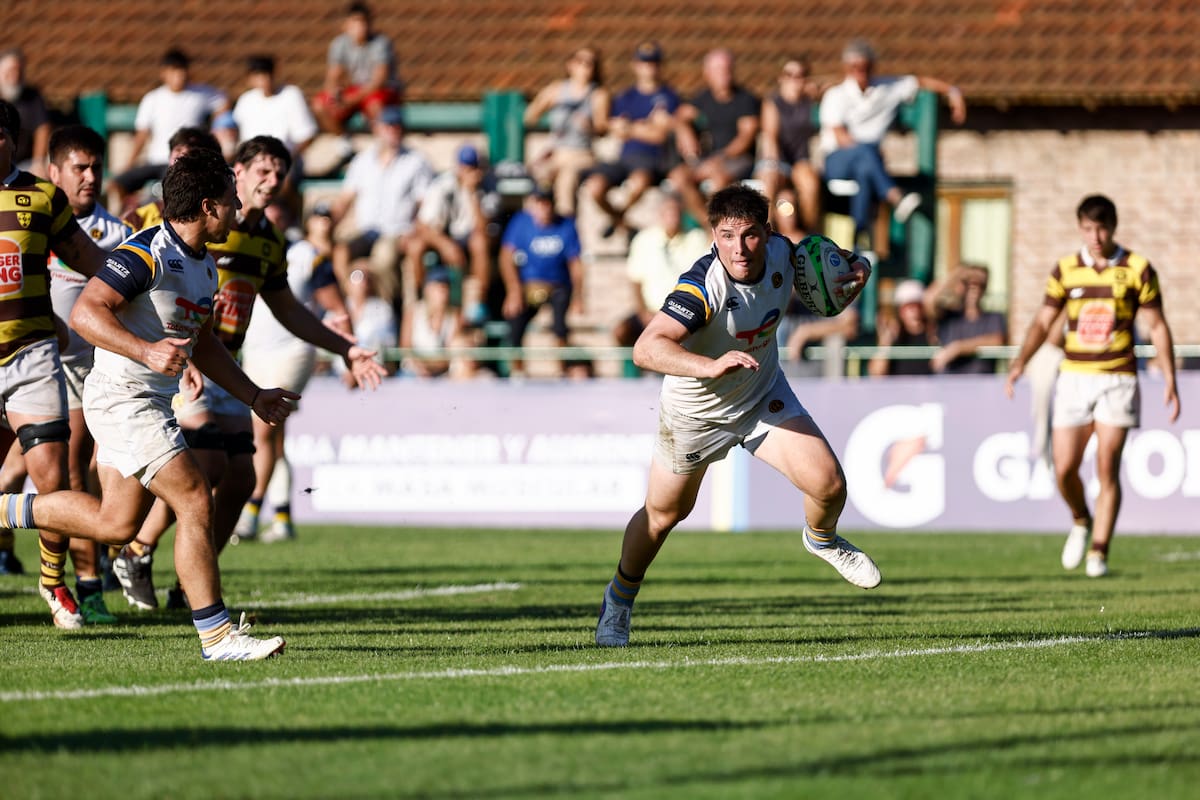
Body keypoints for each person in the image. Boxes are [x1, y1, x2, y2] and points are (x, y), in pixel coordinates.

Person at [0, 148, 297, 659]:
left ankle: (3, 509)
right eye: (231, 199)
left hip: (144, 403)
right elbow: (87, 314)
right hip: (124, 400)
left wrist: (253, 396)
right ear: (208, 206)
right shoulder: (147, 253)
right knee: (195, 497)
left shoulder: (204, 266)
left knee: (116, 524)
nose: (238, 206)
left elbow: (204, 342)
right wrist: (145, 350)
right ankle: (218, 635)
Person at [594, 185, 879, 648]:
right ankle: (619, 601)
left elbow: (842, 259)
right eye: (726, 236)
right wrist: (709, 365)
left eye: (749, 235)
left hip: (759, 394)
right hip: (695, 412)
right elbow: (646, 349)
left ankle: (822, 539)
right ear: (712, 234)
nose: (738, 249)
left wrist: (858, 269)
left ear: (767, 232)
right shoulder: (701, 285)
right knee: (663, 516)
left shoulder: (787, 253)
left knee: (830, 486)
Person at [113, 136, 387, 611]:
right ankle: (137, 551)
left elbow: (289, 311)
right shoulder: (190, 226)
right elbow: (138, 288)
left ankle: (190, 586)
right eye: (261, 170)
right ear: (234, 173)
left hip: (223, 361)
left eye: (279, 172)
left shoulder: (267, 241)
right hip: (179, 360)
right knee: (209, 466)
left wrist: (346, 349)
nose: (272, 180)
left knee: (242, 477)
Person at [1005, 194, 1180, 578]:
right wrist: (1021, 361)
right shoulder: (1066, 269)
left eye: (1101, 228)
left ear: (1113, 227)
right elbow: (1041, 322)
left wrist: (1169, 377)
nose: (1095, 236)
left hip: (1118, 379)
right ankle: (1080, 518)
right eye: (1087, 228)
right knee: (1064, 468)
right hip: (1074, 378)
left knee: (1107, 468)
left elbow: (1158, 326)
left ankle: (1099, 551)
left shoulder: (1137, 269)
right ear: (1080, 228)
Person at [0, 101, 108, 626]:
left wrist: (142, 290)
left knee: (53, 478)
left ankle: (53, 583)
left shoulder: (42, 197)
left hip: (31, 354)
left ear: (9, 140)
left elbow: (89, 259)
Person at [232, 202, 350, 544]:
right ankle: (282, 517)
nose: (274, 216)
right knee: (276, 439)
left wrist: (346, 356)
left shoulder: (304, 254)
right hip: (254, 351)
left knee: (263, 430)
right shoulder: (240, 245)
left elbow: (336, 308)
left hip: (293, 351)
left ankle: (250, 513)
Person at [818, 39, 966, 247]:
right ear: (846, 68)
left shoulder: (887, 88)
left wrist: (953, 91)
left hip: (867, 164)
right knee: (866, 154)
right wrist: (869, 153)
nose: (860, 72)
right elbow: (841, 137)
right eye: (855, 67)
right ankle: (894, 195)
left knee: (864, 171)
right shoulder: (835, 95)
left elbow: (920, 82)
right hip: (838, 160)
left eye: (865, 66)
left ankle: (859, 236)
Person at [329, 105, 433, 312]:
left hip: (396, 231)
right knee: (340, 252)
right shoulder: (363, 161)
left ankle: (384, 311)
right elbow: (345, 200)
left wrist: (414, 231)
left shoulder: (416, 162)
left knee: (383, 258)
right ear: (377, 129)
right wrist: (325, 225)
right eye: (388, 126)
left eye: (397, 126)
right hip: (365, 231)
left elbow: (425, 204)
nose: (393, 130)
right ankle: (347, 307)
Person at [110, 49, 231, 210]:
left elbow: (223, 103)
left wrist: (215, 127)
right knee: (117, 183)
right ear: (164, 73)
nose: (179, 76)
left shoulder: (200, 94)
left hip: (185, 162)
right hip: (157, 159)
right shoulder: (153, 99)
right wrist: (130, 163)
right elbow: (142, 134)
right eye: (174, 71)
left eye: (182, 70)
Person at [582, 41, 680, 240]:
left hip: (651, 159)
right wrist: (641, 127)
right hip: (624, 157)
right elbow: (609, 126)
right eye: (644, 63)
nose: (648, 68)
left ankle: (616, 219)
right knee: (594, 186)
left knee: (639, 181)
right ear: (636, 65)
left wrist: (631, 128)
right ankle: (620, 220)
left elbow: (659, 135)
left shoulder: (669, 97)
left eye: (653, 63)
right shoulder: (625, 96)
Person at [498, 185, 583, 377]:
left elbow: (575, 264)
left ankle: (561, 367)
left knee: (560, 324)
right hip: (527, 286)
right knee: (515, 320)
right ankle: (517, 370)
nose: (543, 208)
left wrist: (578, 296)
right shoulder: (521, 223)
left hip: (557, 286)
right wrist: (513, 290)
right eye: (539, 203)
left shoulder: (566, 225)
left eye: (547, 203)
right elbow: (506, 257)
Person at [404, 143, 492, 325]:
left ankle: (476, 302)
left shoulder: (487, 188)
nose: (469, 171)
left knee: (480, 243)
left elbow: (483, 228)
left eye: (472, 166)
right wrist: (445, 244)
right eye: (465, 166)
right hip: (445, 237)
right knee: (415, 246)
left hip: (470, 238)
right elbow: (424, 224)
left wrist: (472, 194)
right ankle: (420, 298)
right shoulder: (442, 185)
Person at [670, 48, 760, 223]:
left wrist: (720, 158)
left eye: (727, 68)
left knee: (718, 181)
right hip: (708, 159)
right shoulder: (703, 98)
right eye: (718, 69)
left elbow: (746, 137)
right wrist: (684, 131)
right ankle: (708, 226)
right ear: (707, 73)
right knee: (679, 177)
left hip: (737, 158)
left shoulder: (746, 100)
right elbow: (679, 116)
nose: (724, 73)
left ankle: (720, 227)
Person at [613, 191, 709, 348]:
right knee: (621, 332)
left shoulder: (697, 238)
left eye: (676, 212)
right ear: (660, 214)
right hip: (650, 311)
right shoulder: (644, 239)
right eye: (668, 212)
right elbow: (635, 281)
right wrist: (643, 312)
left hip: (686, 311)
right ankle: (642, 369)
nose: (673, 216)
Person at [524, 46, 610, 217]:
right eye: (580, 62)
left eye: (590, 63)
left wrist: (589, 126)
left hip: (582, 153)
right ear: (570, 65)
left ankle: (566, 227)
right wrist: (549, 106)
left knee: (566, 181)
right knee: (539, 178)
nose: (584, 67)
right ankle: (534, 224)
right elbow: (530, 116)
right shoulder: (556, 90)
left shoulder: (598, 95)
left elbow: (602, 128)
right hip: (557, 151)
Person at [231, 55, 319, 216]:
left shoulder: (291, 95)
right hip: (252, 160)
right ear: (250, 79)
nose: (264, 80)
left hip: (285, 160)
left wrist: (285, 159)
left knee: (279, 181)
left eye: (267, 74)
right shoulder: (246, 101)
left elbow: (307, 135)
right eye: (258, 75)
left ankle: (291, 222)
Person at [757, 56, 824, 238]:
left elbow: (838, 82)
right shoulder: (773, 102)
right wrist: (775, 166)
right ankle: (764, 233)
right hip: (778, 159)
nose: (795, 79)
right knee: (769, 180)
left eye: (800, 75)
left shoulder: (809, 101)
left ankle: (810, 235)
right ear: (781, 77)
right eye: (790, 74)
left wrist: (817, 88)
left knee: (810, 184)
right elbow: (770, 138)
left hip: (800, 160)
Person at [311, 1, 402, 135]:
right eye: (356, 21)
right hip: (356, 91)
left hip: (381, 92)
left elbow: (379, 81)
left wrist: (349, 100)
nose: (361, 27)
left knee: (375, 106)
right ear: (346, 24)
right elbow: (333, 77)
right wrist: (334, 95)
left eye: (364, 21)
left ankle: (381, 145)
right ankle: (343, 143)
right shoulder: (339, 44)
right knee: (319, 105)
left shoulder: (380, 43)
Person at [122, 127, 224, 231]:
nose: (183, 155)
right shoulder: (138, 219)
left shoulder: (225, 218)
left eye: (193, 151)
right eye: (178, 149)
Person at [927, 263, 1006, 374]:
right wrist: (956, 273)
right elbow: (929, 300)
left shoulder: (993, 318)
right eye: (968, 284)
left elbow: (997, 341)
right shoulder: (949, 316)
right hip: (947, 385)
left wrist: (957, 348)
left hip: (981, 385)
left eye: (980, 284)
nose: (974, 289)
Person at [399, 266, 464, 378]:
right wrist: (420, 367)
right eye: (438, 286)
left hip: (441, 374)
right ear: (428, 289)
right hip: (413, 372)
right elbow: (405, 347)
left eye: (446, 287)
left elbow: (451, 353)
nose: (443, 291)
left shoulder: (455, 316)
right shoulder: (413, 312)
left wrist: (432, 368)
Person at [867, 279, 935, 377]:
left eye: (918, 306)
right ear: (900, 310)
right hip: (899, 391)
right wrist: (885, 343)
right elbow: (876, 373)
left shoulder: (933, 334)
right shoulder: (894, 337)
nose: (915, 312)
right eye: (909, 307)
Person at [0, 49, 50, 174]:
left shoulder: (32, 97)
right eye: (11, 71)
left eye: (18, 71)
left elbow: (42, 128)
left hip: (24, 163)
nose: (15, 75)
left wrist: (38, 161)